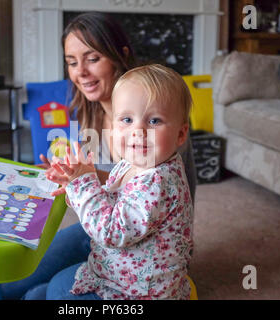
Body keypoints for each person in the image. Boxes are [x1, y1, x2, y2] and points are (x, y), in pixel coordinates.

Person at [0, 12, 196, 300]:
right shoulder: (89, 112)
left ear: (120, 57)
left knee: (54, 289)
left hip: (143, 252)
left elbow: (153, 202)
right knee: (22, 284)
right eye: (71, 62)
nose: (80, 72)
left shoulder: (162, 132)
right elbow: (119, 182)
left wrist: (84, 183)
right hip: (113, 229)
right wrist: (77, 174)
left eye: (92, 59)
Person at [41, 64, 194, 300]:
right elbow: (109, 198)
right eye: (127, 119)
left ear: (181, 134)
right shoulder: (135, 162)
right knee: (43, 290)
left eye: (154, 121)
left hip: (136, 293)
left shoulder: (157, 181)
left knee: (58, 290)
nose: (138, 131)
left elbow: (111, 232)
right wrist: (75, 181)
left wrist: (84, 185)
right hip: (120, 268)